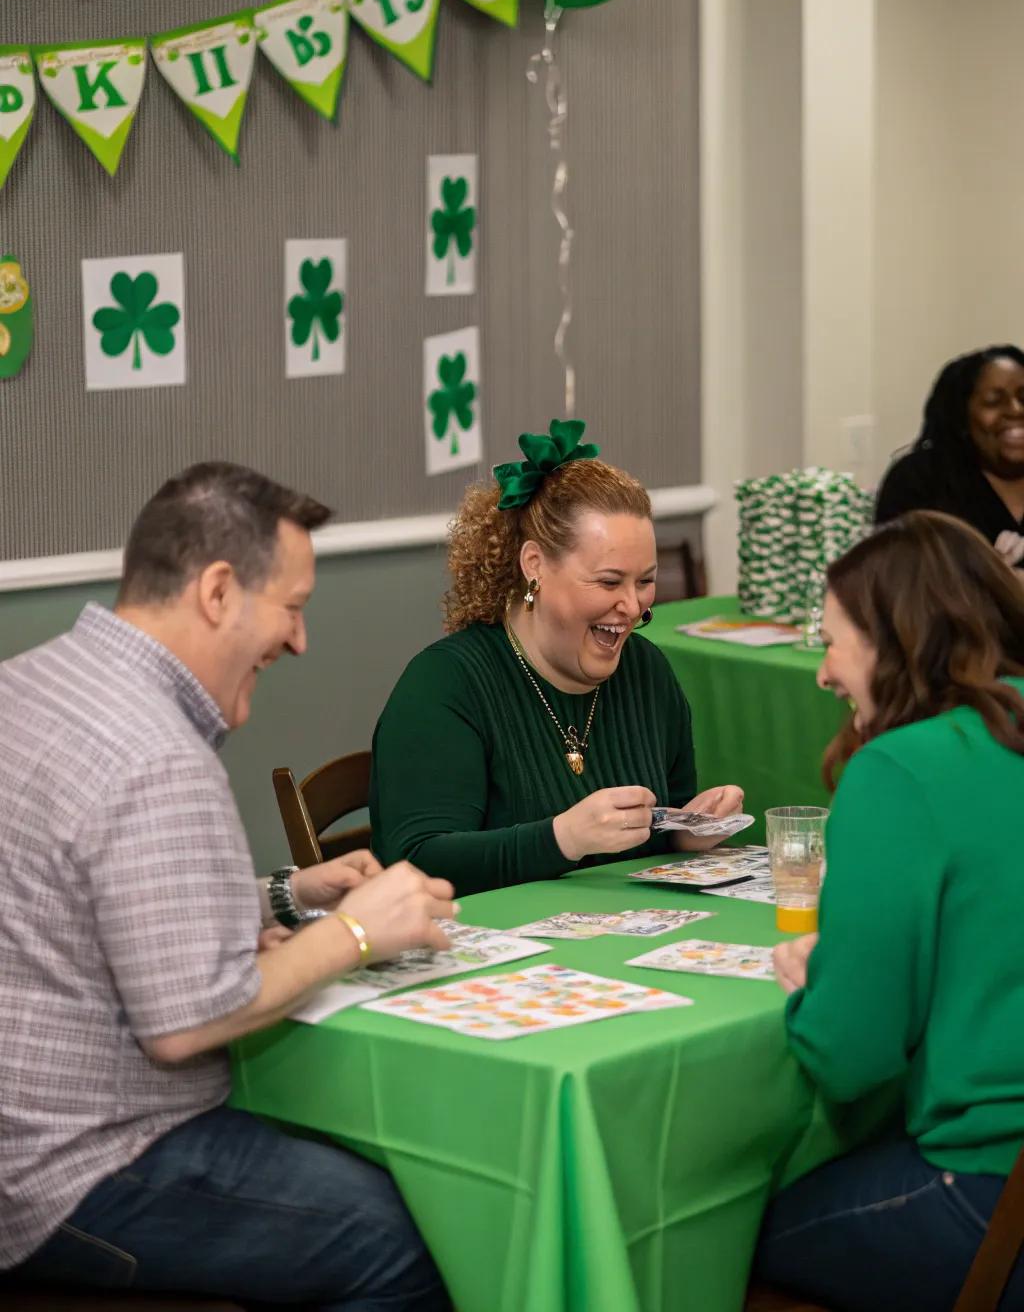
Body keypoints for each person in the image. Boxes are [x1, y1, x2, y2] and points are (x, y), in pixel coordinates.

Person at [0, 462, 454, 1310]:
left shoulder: (35, 683)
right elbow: (187, 1022)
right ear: (217, 592)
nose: (300, 639)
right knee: (406, 1235)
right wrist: (354, 933)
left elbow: (89, 900)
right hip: (74, 1172)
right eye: (293, 605)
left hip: (19, 1139)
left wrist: (291, 896)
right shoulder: (156, 752)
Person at [754, 510, 1024, 1312]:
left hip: (988, 1188)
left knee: (716, 1240)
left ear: (895, 641)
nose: (823, 673)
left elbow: (850, 1056)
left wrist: (818, 980)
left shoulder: (903, 770)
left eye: (834, 641)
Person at [370, 419, 743, 897]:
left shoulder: (646, 671)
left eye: (645, 581)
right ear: (535, 567)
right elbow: (419, 863)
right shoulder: (445, 686)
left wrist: (687, 830)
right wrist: (561, 839)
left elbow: (658, 823)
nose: (633, 606)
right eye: (609, 582)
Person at [875, 344, 1024, 566]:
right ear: (961, 416)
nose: (1016, 410)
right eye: (993, 401)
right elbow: (893, 581)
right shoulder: (921, 481)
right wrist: (993, 580)